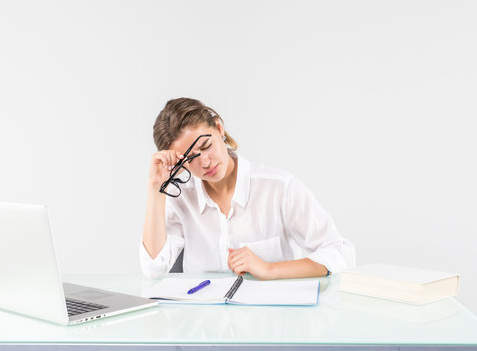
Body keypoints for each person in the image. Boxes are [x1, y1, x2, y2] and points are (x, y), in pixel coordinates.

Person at [140, 98, 355, 280]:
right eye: (189, 160)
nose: (205, 162)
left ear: (219, 129)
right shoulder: (181, 197)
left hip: (271, 322)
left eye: (206, 146)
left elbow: (340, 252)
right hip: (205, 323)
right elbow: (153, 269)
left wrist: (269, 269)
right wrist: (155, 188)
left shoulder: (279, 188)